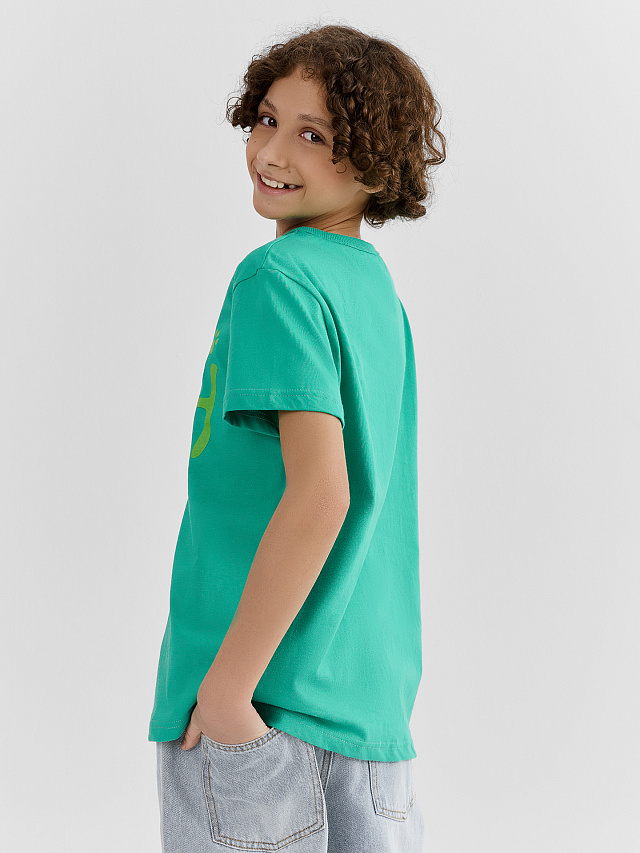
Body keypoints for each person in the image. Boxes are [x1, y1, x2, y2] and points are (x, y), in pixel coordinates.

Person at [149, 22, 446, 853]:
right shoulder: (374, 292)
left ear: (374, 163)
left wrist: (226, 692)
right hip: (371, 723)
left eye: (314, 135)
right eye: (267, 119)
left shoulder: (277, 277)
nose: (273, 152)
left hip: (263, 704)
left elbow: (323, 496)